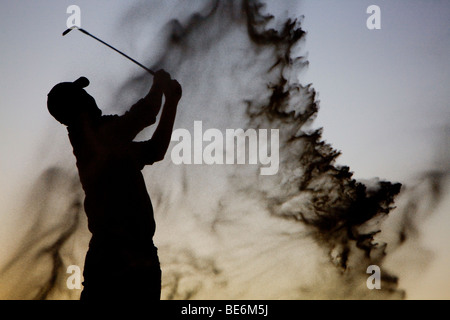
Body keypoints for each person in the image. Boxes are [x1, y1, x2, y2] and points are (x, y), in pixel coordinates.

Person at [47, 70, 182, 300]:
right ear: (77, 107)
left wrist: (171, 103)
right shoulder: (94, 137)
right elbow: (143, 115)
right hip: (114, 256)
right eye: (82, 95)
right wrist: (158, 86)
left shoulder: (104, 141)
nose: (90, 97)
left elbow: (155, 150)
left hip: (139, 255)